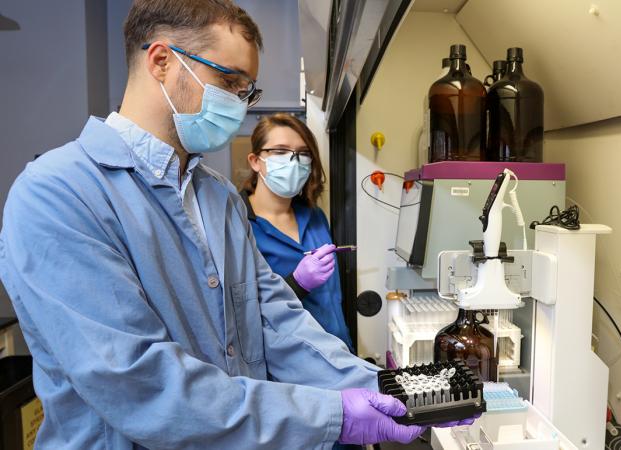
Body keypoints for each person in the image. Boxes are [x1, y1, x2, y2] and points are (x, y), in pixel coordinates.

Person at [0, 1, 476, 448]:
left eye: (249, 89)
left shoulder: (218, 196)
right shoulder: (58, 194)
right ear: (162, 61)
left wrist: (388, 389)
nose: (242, 103)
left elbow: (275, 320)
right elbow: (140, 383)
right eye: (230, 81)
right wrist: (334, 415)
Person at [241, 113, 353, 352]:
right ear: (255, 161)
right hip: (288, 368)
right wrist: (297, 284)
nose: (293, 162)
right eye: (280, 151)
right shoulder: (239, 226)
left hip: (339, 353)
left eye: (303, 154)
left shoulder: (314, 217)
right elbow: (244, 313)